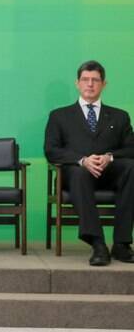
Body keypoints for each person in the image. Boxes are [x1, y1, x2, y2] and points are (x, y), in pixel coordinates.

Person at [45, 60, 134, 266]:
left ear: (104, 84)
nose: (90, 84)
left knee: (131, 167)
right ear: (77, 83)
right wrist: (83, 160)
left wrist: (108, 156)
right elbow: (52, 150)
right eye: (85, 79)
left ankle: (121, 244)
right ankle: (98, 243)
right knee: (79, 173)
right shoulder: (60, 116)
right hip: (76, 174)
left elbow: (131, 148)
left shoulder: (120, 116)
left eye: (95, 80)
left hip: (108, 172)